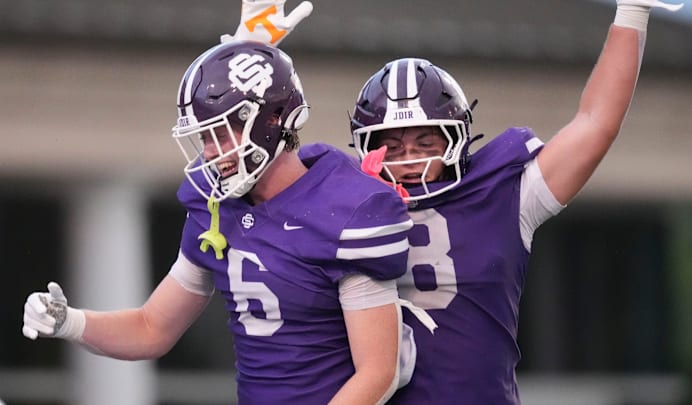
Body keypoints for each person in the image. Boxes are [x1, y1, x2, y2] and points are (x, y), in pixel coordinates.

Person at [21, 14, 417, 405]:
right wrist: (70, 322)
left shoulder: (346, 210)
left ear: (272, 120)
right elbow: (151, 327)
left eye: (220, 133)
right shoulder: (215, 206)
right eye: (204, 138)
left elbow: (377, 372)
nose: (211, 153)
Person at [343, 1, 685, 403]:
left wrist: (631, 12)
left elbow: (596, 121)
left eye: (425, 143)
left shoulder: (505, 195)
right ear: (367, 149)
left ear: (457, 141)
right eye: (394, 148)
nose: (411, 160)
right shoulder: (341, 206)